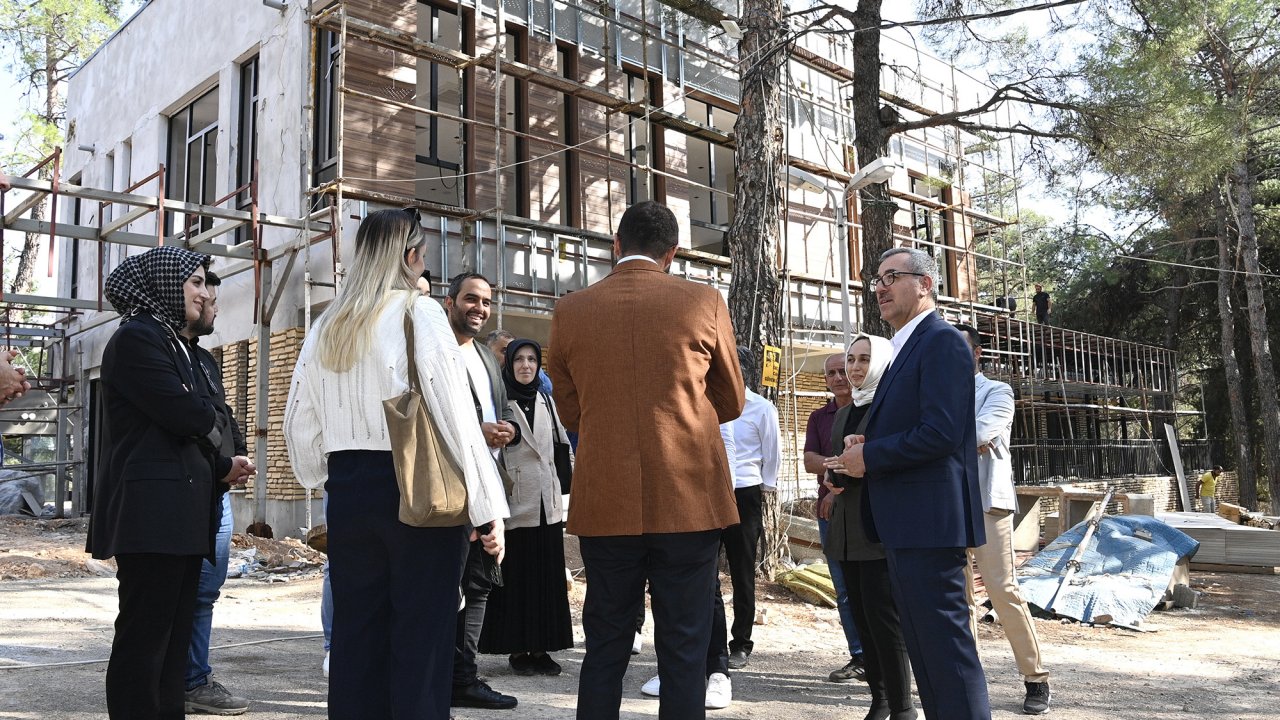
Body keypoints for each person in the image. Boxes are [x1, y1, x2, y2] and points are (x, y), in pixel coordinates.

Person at [284, 208, 509, 720]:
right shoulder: (419, 313)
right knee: (422, 639)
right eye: (422, 255)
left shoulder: (329, 322)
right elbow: (454, 417)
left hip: (349, 491)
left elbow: (299, 422)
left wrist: (325, 478)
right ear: (410, 258)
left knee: (356, 636)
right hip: (417, 492)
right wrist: (485, 507)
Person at [547, 200, 744, 720]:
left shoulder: (570, 309)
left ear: (616, 245)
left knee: (606, 639)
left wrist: (611, 428)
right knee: (684, 642)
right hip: (688, 498)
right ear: (672, 254)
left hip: (605, 495)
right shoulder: (704, 300)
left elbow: (570, 407)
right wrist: (685, 415)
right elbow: (732, 398)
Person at [87, 246, 255, 720]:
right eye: (197, 282)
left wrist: (226, 459)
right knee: (146, 637)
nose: (207, 292)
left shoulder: (193, 355)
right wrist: (212, 432)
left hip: (189, 510)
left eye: (207, 283)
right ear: (165, 286)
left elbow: (219, 417)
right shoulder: (137, 339)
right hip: (152, 513)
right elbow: (186, 414)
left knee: (175, 640)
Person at [826, 247, 989, 720]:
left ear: (925, 284)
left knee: (947, 655)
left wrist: (870, 456)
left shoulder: (941, 341)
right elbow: (916, 424)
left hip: (930, 525)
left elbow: (941, 432)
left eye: (891, 276)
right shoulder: (904, 347)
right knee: (928, 657)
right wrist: (867, 440)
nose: (879, 286)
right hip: (903, 525)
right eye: (875, 278)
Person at [956, 324, 1052, 715]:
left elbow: (982, 431)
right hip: (948, 504)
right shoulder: (935, 395)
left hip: (987, 503)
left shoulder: (996, 391)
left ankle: (1035, 677)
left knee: (1002, 589)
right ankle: (969, 677)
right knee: (958, 597)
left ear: (976, 354)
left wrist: (936, 436)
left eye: (960, 349)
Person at [442, 272, 522, 711]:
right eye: (471, 299)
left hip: (488, 485)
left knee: (480, 582)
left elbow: (498, 406)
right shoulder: (436, 353)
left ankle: (463, 679)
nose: (480, 308)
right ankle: (437, 676)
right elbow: (433, 421)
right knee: (444, 588)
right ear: (450, 301)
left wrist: (505, 427)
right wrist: (479, 430)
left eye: (487, 302)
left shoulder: (490, 359)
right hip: (449, 489)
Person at [825, 334, 916, 720]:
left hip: (879, 529)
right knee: (862, 621)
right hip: (847, 527)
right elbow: (844, 465)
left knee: (885, 623)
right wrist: (834, 476)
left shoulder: (892, 407)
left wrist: (867, 457)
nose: (856, 367)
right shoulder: (846, 411)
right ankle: (879, 701)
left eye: (864, 359)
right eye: (852, 360)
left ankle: (903, 708)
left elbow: (901, 462)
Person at [478, 339, 574, 675]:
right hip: (515, 506)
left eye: (532, 359)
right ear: (509, 364)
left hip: (547, 505)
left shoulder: (546, 399)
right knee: (518, 580)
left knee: (546, 579)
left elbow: (561, 446)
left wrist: (563, 490)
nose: (525, 365)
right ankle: (518, 650)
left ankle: (541, 648)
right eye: (519, 359)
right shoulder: (499, 402)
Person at [182, 271, 251, 716]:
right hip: (185, 491)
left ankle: (193, 677)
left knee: (206, 590)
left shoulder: (206, 361)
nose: (214, 303)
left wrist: (238, 457)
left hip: (217, 493)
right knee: (176, 589)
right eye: (204, 293)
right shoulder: (153, 350)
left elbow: (224, 417)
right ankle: (176, 676)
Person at [802, 353, 865, 683]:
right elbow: (809, 461)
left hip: (863, 511)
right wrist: (842, 464)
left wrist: (833, 481)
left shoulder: (869, 410)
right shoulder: (818, 417)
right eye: (832, 373)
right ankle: (859, 656)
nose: (839, 377)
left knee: (872, 584)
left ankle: (884, 655)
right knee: (843, 587)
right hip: (829, 513)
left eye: (845, 370)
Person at [722, 346, 781, 670]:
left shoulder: (761, 408)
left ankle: (741, 642)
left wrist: (766, 485)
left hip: (745, 491)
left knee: (742, 571)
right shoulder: (711, 405)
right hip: (712, 491)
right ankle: (709, 639)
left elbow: (772, 452)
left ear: (744, 372)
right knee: (703, 569)